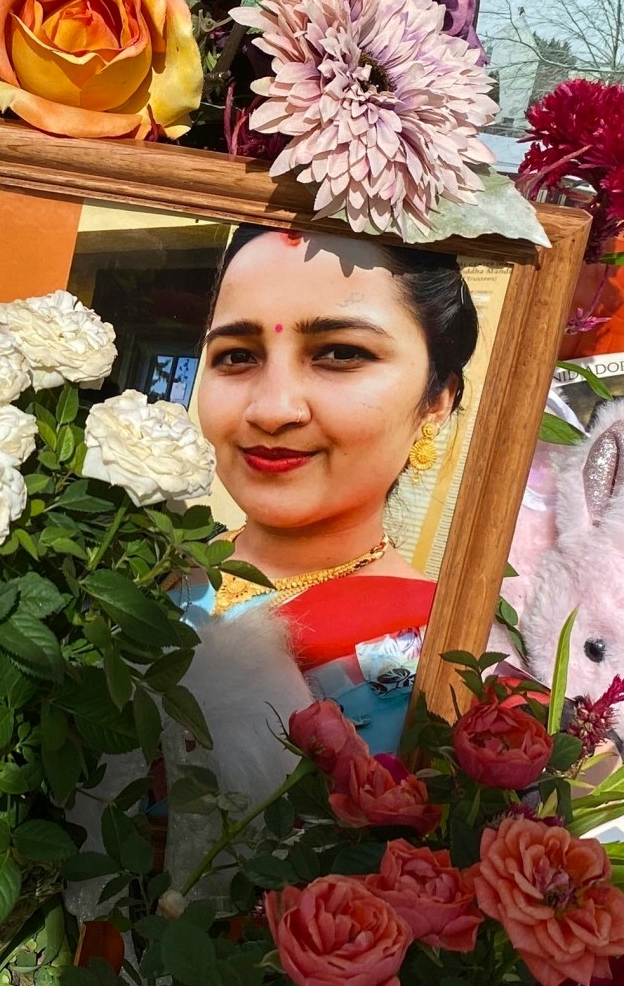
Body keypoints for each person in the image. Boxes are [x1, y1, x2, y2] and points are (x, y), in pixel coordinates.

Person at [179, 225, 478, 755]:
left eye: (340, 353)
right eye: (236, 355)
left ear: (438, 398)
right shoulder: (135, 569)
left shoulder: (448, 667)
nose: (272, 409)